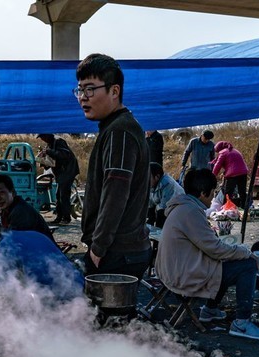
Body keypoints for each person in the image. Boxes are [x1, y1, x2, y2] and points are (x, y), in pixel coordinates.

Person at [156, 169, 259, 341]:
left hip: (175, 269)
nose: (213, 197)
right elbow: (215, 249)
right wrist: (245, 252)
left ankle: (210, 309)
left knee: (224, 262)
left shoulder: (183, 207)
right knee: (247, 265)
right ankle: (242, 322)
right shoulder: (190, 212)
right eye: (212, 193)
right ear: (203, 193)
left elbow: (210, 246)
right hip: (182, 274)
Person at [75, 53, 152, 280]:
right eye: (79, 90)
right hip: (120, 250)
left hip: (118, 252)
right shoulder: (115, 128)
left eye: (90, 89)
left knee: (108, 316)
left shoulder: (121, 131)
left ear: (114, 91)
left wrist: (98, 248)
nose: (83, 97)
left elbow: (116, 192)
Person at [0, 213, 83, 296]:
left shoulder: (1, 252)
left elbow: (6, 294)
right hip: (80, 287)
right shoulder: (30, 234)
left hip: (58, 298)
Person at [0, 174, 53, 241]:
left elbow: (12, 243)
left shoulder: (21, 212)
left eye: (1, 192)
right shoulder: (5, 209)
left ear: (13, 193)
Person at [35, 133, 79, 225]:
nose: (42, 139)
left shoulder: (58, 141)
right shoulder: (50, 144)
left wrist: (48, 152)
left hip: (68, 171)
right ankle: (59, 217)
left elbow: (63, 155)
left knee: (63, 195)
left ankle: (66, 218)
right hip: (61, 173)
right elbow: (53, 160)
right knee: (58, 195)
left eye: (43, 137)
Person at [211, 141, 249, 209]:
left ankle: (225, 209)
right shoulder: (235, 150)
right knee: (242, 192)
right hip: (243, 172)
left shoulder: (223, 152)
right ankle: (244, 209)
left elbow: (218, 165)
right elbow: (233, 163)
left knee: (228, 193)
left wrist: (212, 176)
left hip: (233, 175)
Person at [148, 162, 182, 228]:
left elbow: (163, 211)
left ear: (157, 177)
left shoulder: (168, 184)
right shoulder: (151, 185)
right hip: (165, 211)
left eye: (148, 177)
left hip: (177, 213)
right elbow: (150, 206)